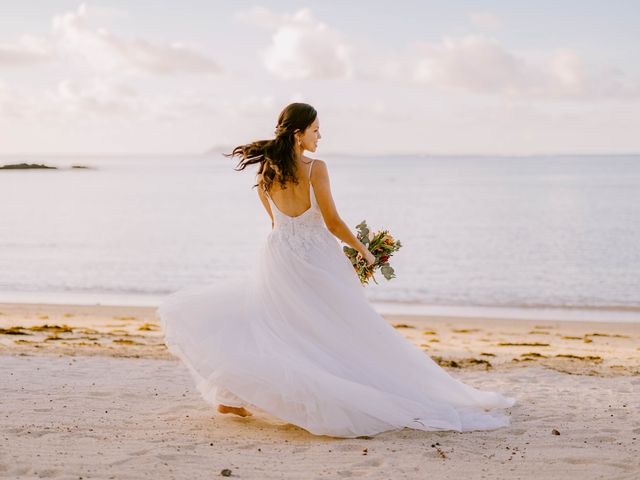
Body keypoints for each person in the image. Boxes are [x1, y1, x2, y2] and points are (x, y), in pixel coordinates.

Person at [157, 102, 516, 438]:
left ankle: (230, 394)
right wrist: (364, 251)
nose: (320, 136)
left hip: (279, 253)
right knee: (335, 328)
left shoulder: (267, 170)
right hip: (315, 256)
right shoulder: (315, 167)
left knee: (275, 321)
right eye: (315, 130)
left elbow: (275, 223)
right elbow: (332, 221)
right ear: (299, 134)